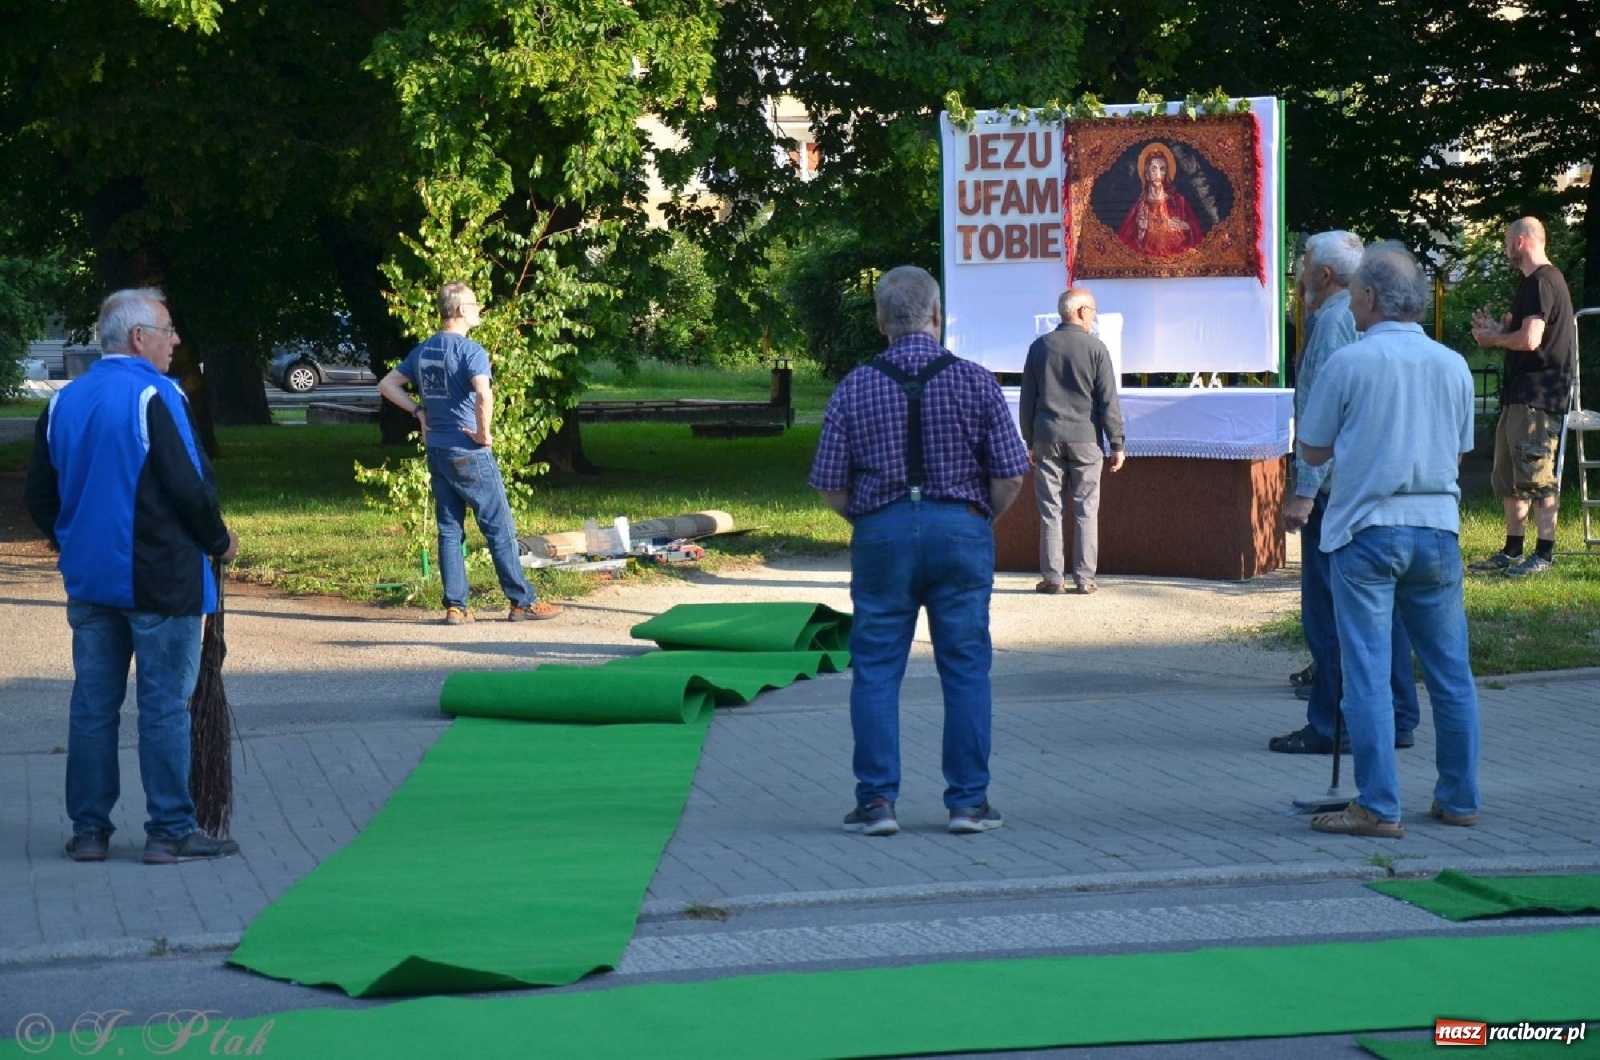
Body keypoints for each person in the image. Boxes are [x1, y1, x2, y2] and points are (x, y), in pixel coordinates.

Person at [809, 265, 1029, 837]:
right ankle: (967, 804)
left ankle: (877, 803)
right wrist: (977, 517)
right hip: (960, 529)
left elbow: (830, 483)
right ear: (937, 317)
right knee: (965, 670)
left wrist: (871, 517)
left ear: (881, 321)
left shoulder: (855, 385)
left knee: (877, 671)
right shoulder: (977, 382)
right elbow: (1010, 473)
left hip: (882, 533)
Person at [24, 288, 242, 865]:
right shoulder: (157, 394)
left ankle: (90, 831)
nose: (176, 341)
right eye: (168, 330)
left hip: (90, 580)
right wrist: (220, 541)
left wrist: (69, 542)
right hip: (159, 580)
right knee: (165, 705)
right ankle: (169, 830)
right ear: (138, 337)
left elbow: (39, 496)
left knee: (94, 705)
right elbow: (189, 486)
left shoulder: (64, 401)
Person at [1298, 242, 1479, 839]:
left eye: (1355, 294)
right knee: (1451, 672)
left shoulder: (1348, 363)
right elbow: (1456, 453)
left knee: (1369, 671)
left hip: (1367, 530)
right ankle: (1458, 795)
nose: (1350, 303)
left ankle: (1378, 804)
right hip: (1437, 528)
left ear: (1371, 297)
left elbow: (1314, 450)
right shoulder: (1452, 364)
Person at [1272, 232, 1422, 755]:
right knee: (1389, 610)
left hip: (1336, 491)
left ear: (1325, 276)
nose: (1299, 274)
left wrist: (1304, 491)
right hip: (1386, 487)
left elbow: (1321, 412)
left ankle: (1330, 723)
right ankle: (1399, 716)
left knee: (1330, 612)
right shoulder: (1376, 327)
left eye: (1304, 265)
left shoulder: (1335, 320)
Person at [377, 282, 562, 625]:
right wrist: (483, 433)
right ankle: (521, 602)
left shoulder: (424, 350)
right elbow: (483, 395)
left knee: (449, 528)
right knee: (499, 527)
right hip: (469, 450)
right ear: (460, 310)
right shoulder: (471, 351)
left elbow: (386, 385)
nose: (479, 309)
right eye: (475, 304)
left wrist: (419, 412)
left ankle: (456, 607)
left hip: (437, 449)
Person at [1469, 217, 1577, 578]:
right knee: (1510, 477)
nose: (1503, 248)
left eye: (1504, 240)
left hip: (1537, 396)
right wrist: (1501, 332)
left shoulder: (1541, 282)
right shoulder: (1535, 283)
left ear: (1518, 242)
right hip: (1519, 395)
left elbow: (1531, 340)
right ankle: (1513, 550)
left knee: (1537, 476)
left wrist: (1494, 340)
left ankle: (1543, 555)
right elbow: (1530, 338)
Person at [1019, 286, 1125, 595]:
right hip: (1086, 438)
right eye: (1092, 310)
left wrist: (1030, 441)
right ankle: (1085, 579)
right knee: (1085, 508)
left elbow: (1028, 400)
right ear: (1079, 311)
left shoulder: (1039, 347)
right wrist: (1116, 443)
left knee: (1050, 510)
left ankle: (1053, 579)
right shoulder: (1095, 348)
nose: (1093, 316)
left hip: (1047, 437)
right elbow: (1108, 401)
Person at [1116, 143, 1204, 257]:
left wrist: (1184, 226)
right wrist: (1141, 232)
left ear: (1166, 173)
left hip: (1176, 258)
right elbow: (1126, 243)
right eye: (1154, 169)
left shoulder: (1178, 202)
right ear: (1147, 174)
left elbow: (1196, 233)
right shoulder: (1140, 206)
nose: (1158, 174)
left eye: (1162, 169)